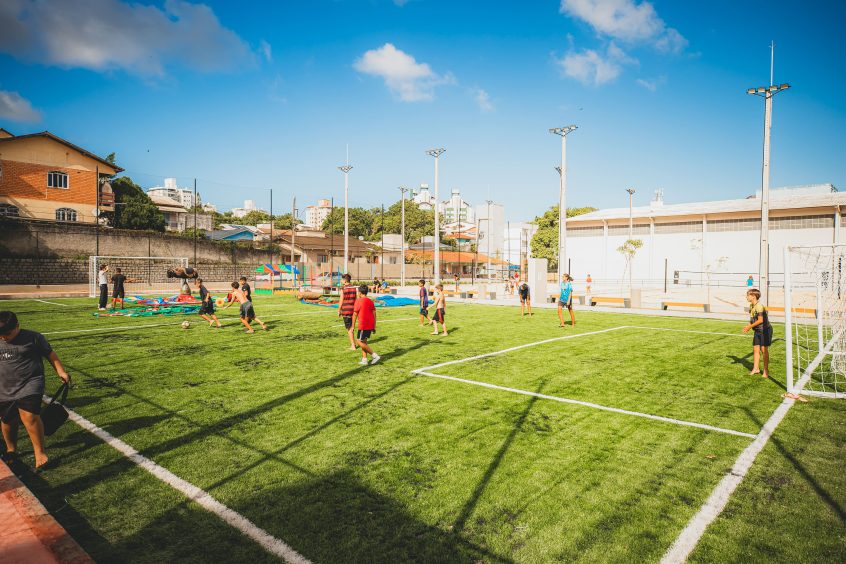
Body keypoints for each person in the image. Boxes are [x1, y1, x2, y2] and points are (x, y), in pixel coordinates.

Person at [0, 311, 71, 470]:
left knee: (30, 415)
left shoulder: (33, 337)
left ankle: (40, 453)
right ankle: (11, 450)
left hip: (30, 382)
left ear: (17, 326)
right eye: (1, 335)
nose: (4, 338)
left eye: (7, 334)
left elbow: (50, 354)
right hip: (4, 386)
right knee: (7, 420)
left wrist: (60, 371)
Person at [743, 288, 772, 378]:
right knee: (756, 349)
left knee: (764, 350)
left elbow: (760, 320)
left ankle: (766, 371)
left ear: (754, 296)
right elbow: (752, 319)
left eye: (748, 295)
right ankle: (756, 369)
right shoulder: (751, 306)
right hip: (757, 331)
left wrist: (750, 327)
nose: (746, 297)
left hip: (765, 330)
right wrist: (748, 326)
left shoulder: (759, 306)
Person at [352, 285, 380, 365]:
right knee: (364, 342)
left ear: (360, 293)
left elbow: (355, 314)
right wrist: (374, 326)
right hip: (370, 324)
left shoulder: (358, 301)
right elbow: (374, 313)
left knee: (359, 342)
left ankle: (375, 356)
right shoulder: (370, 301)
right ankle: (364, 360)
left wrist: (353, 326)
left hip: (363, 325)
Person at [339, 273, 358, 350]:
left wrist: (339, 310)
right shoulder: (354, 288)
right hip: (353, 310)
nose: (341, 281)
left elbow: (341, 300)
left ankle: (353, 345)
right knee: (352, 327)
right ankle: (355, 343)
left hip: (346, 311)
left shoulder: (343, 289)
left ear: (344, 280)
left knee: (349, 328)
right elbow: (356, 299)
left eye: (341, 279)